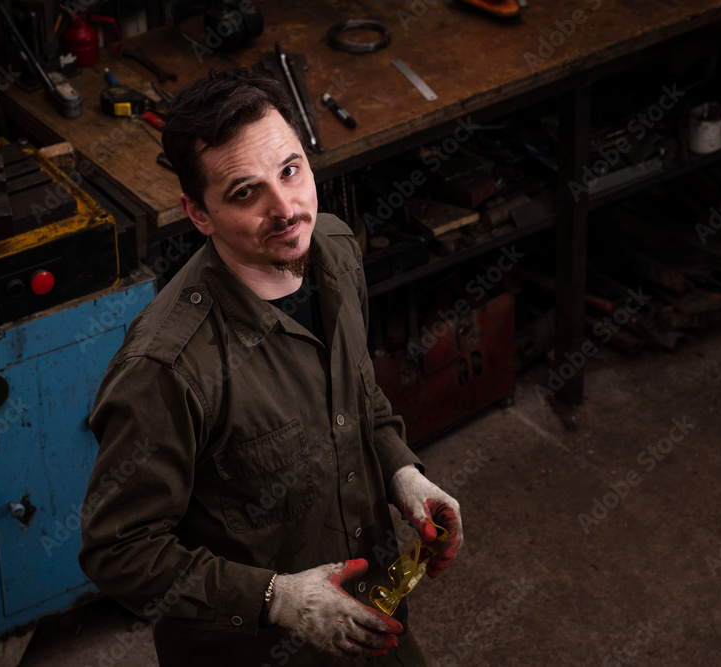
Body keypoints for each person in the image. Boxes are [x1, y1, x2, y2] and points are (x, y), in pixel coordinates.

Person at [79, 67, 463, 666]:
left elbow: (359, 402)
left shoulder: (334, 249)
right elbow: (117, 551)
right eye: (244, 192)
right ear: (198, 214)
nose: (286, 210)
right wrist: (280, 599)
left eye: (290, 171)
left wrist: (403, 477)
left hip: (371, 617)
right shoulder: (167, 367)